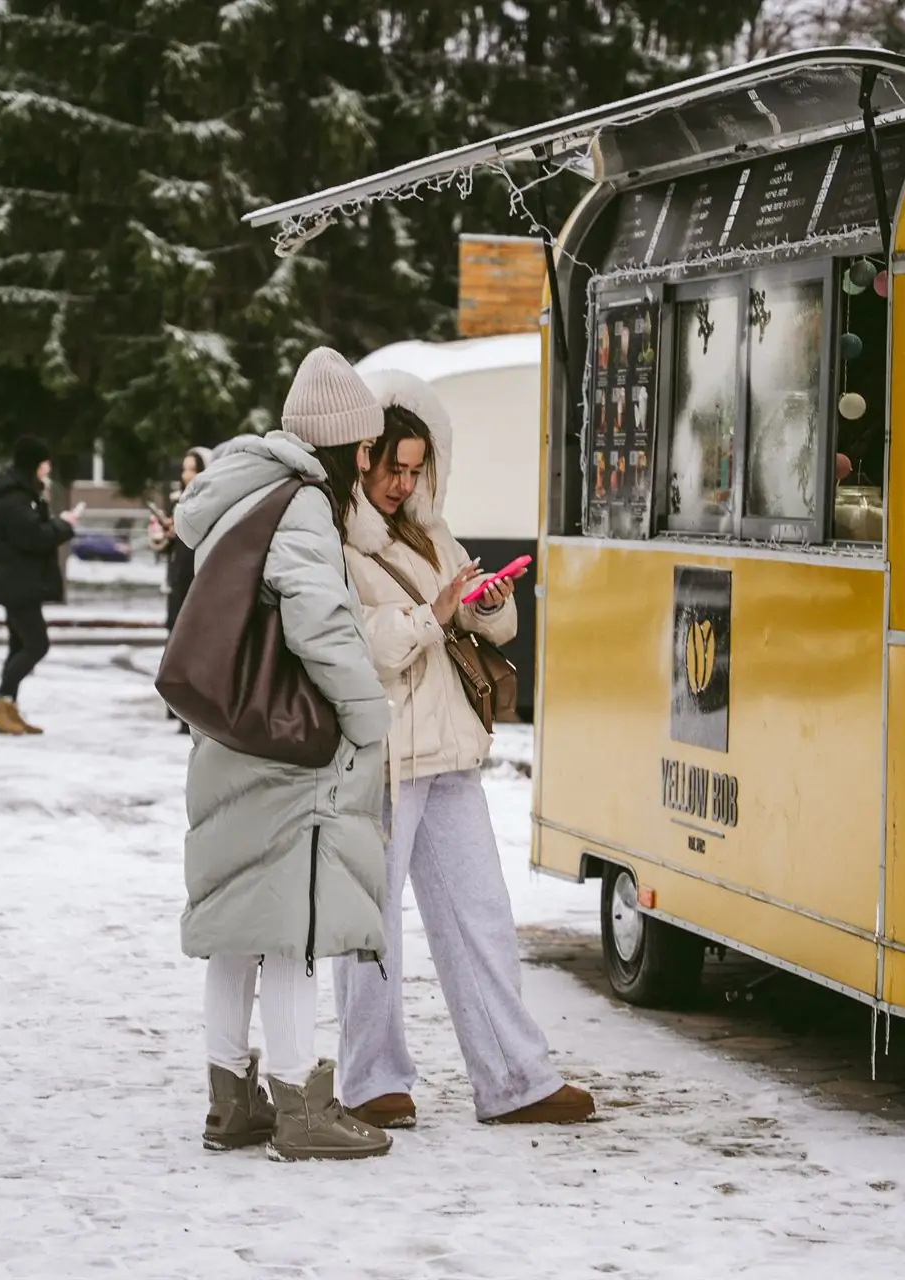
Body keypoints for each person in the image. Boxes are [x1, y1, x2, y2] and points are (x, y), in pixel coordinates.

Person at [335, 369, 596, 1129]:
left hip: (447, 747)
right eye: (391, 466)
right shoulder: (338, 537)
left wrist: (487, 604)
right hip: (382, 755)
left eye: (415, 467)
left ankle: (515, 1077)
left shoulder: (430, 528)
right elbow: (361, 642)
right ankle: (370, 1079)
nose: (402, 481)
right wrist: (432, 612)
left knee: (481, 914)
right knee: (371, 927)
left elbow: (496, 632)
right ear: (363, 457)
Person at [169, 347, 392, 1162]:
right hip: (285, 748)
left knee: (237, 921)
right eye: (367, 449)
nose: (369, 463)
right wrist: (370, 717)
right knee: (294, 922)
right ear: (346, 445)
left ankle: (231, 1102)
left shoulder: (238, 492)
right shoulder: (301, 504)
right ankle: (301, 1102)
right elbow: (320, 626)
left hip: (231, 735)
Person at [0, 436, 81, 736]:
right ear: (34, 464)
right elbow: (33, 536)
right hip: (16, 583)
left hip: (19, 581)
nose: (48, 467)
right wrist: (64, 525)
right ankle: (0, 703)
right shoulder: (14, 499)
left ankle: (8, 708)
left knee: (19, 645)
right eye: (44, 462)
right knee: (37, 644)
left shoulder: (22, 494)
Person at [150, 447, 213, 733]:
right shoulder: (178, 501)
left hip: (198, 579)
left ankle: (191, 713)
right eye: (185, 468)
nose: (187, 474)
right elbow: (166, 547)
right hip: (178, 578)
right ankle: (173, 706)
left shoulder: (210, 501)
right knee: (173, 642)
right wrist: (163, 536)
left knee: (194, 646)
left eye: (193, 468)